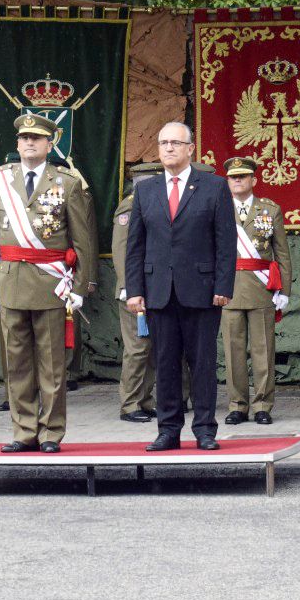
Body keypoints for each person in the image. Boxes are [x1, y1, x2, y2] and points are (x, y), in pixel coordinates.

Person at [0, 115, 97, 452]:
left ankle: (50, 433)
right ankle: (23, 431)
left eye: (36, 137)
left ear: (49, 144)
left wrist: (79, 287)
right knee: (16, 363)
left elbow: (83, 241)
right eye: (24, 137)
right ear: (17, 144)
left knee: (52, 365)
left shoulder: (67, 182)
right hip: (11, 282)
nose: (29, 142)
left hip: (50, 284)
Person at [125, 121, 235, 452]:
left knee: (202, 363)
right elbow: (135, 246)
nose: (169, 148)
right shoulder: (146, 190)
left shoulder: (214, 187)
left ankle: (205, 429)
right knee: (166, 364)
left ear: (190, 149)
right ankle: (168, 430)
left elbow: (225, 242)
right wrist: (134, 289)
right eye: (163, 143)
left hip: (202, 290)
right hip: (159, 290)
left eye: (175, 142)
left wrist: (223, 285)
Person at [221, 156, 292, 426]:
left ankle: (262, 405)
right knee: (233, 352)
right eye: (233, 177)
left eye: (242, 176)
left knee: (263, 351)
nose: (237, 180)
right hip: (228, 289)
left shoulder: (270, 210)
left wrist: (284, 290)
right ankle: (237, 406)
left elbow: (282, 254)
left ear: (254, 180)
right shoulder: (218, 208)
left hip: (261, 288)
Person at [112, 163, 161, 423]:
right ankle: (129, 404)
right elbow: (122, 250)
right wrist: (127, 287)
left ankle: (144, 400)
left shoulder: (150, 204)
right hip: (134, 290)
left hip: (153, 288)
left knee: (150, 349)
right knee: (137, 348)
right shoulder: (129, 207)